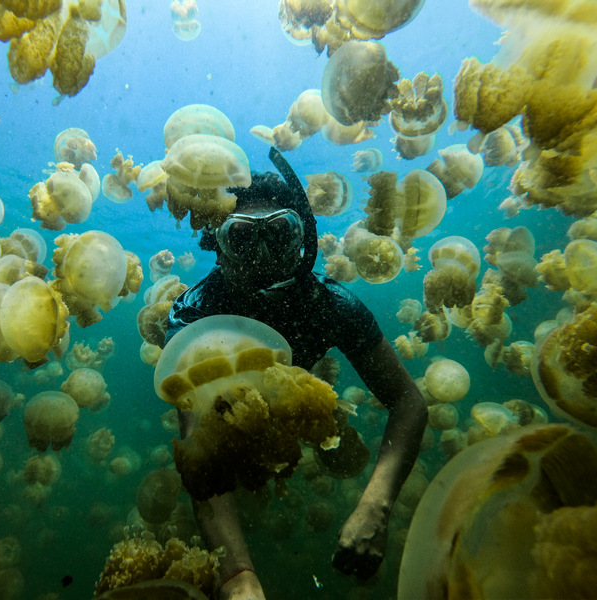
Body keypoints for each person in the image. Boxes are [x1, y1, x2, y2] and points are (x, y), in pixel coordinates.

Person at [164, 148, 427, 600]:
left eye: (280, 232)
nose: (262, 254)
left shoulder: (329, 304)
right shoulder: (196, 314)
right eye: (243, 237)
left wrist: (375, 507)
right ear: (216, 243)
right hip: (227, 417)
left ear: (303, 237)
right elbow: (199, 451)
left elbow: (408, 401)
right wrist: (238, 577)